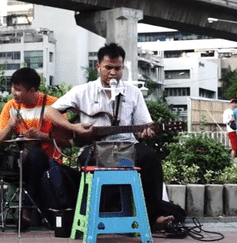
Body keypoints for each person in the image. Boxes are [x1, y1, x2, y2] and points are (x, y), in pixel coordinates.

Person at [49, 43, 174, 228]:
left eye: (118, 68)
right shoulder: (83, 91)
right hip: (93, 149)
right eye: (108, 67)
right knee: (92, 160)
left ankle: (153, 217)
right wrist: (73, 127)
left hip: (127, 147)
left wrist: (148, 132)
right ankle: (100, 214)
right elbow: (49, 112)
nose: (113, 72)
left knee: (150, 157)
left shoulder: (133, 92)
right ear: (98, 66)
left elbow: (144, 125)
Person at [0, 67, 89, 231]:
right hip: (19, 160)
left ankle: (26, 213)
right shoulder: (10, 106)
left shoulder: (53, 105)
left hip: (49, 161)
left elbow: (68, 142)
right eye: (13, 88)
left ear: (32, 90)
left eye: (18, 89)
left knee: (36, 156)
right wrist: (10, 126)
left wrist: (41, 136)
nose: (13, 93)